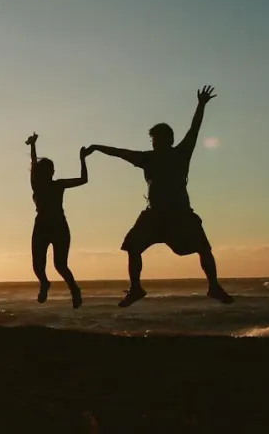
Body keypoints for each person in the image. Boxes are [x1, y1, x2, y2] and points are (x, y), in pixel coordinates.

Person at [87, 85, 234, 307]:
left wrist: (201, 105)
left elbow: (195, 129)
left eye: (157, 139)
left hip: (180, 214)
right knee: (133, 247)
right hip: (154, 216)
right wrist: (98, 147)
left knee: (204, 248)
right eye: (153, 140)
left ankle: (213, 286)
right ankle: (136, 288)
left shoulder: (180, 154)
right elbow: (120, 153)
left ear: (168, 140)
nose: (154, 143)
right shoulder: (148, 158)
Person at [26, 133, 90, 307]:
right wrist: (32, 145)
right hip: (42, 226)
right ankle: (45, 283)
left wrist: (82, 159)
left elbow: (83, 179)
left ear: (52, 172)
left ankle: (74, 290)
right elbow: (33, 163)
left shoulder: (58, 184)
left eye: (50, 171)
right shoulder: (36, 184)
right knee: (38, 265)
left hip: (58, 226)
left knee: (60, 265)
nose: (49, 173)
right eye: (45, 170)